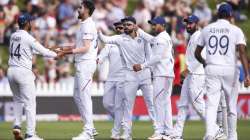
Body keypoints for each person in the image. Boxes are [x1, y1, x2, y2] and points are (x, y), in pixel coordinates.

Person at [195, 3, 250, 140]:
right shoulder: (236, 30)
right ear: (231, 15)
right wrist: (247, 74)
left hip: (212, 68)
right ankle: (232, 137)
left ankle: (209, 133)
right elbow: (242, 52)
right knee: (231, 107)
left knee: (211, 105)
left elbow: (197, 52)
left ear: (217, 14)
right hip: (229, 70)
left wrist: (204, 62)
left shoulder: (207, 29)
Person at [98, 16, 156, 140]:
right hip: (130, 75)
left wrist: (147, 68)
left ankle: (158, 130)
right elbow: (104, 39)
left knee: (151, 103)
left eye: (128, 25)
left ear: (135, 26)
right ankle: (127, 134)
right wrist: (96, 31)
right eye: (124, 25)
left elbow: (151, 53)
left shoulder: (143, 37)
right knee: (128, 106)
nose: (125, 27)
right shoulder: (120, 39)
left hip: (144, 74)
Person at [8, 13, 58, 140]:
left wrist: (49, 49)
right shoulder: (29, 37)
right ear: (27, 23)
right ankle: (30, 134)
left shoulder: (13, 36)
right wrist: (57, 54)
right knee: (30, 104)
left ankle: (17, 125)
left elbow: (29, 49)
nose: (33, 24)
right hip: (23, 72)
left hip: (11, 71)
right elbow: (44, 52)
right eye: (31, 22)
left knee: (17, 100)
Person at [57, 1, 98, 140]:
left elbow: (86, 48)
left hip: (86, 64)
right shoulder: (83, 24)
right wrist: (63, 48)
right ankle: (90, 127)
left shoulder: (88, 25)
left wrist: (66, 53)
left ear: (86, 10)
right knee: (77, 96)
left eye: (80, 7)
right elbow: (78, 45)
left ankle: (88, 131)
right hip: (81, 63)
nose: (78, 9)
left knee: (85, 97)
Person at [133, 16, 174, 140]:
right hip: (166, 74)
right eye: (152, 24)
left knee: (158, 103)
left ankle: (160, 132)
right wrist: (139, 30)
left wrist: (142, 66)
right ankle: (168, 131)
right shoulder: (163, 37)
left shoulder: (161, 39)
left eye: (155, 24)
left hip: (162, 74)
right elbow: (151, 40)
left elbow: (157, 58)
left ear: (162, 25)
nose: (153, 27)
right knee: (165, 103)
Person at [97, 21, 125, 139]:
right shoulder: (110, 43)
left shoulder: (130, 42)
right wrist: (93, 62)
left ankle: (117, 132)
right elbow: (101, 57)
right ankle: (124, 122)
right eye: (117, 28)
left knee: (119, 105)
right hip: (111, 78)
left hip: (124, 78)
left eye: (121, 27)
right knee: (107, 104)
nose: (119, 29)